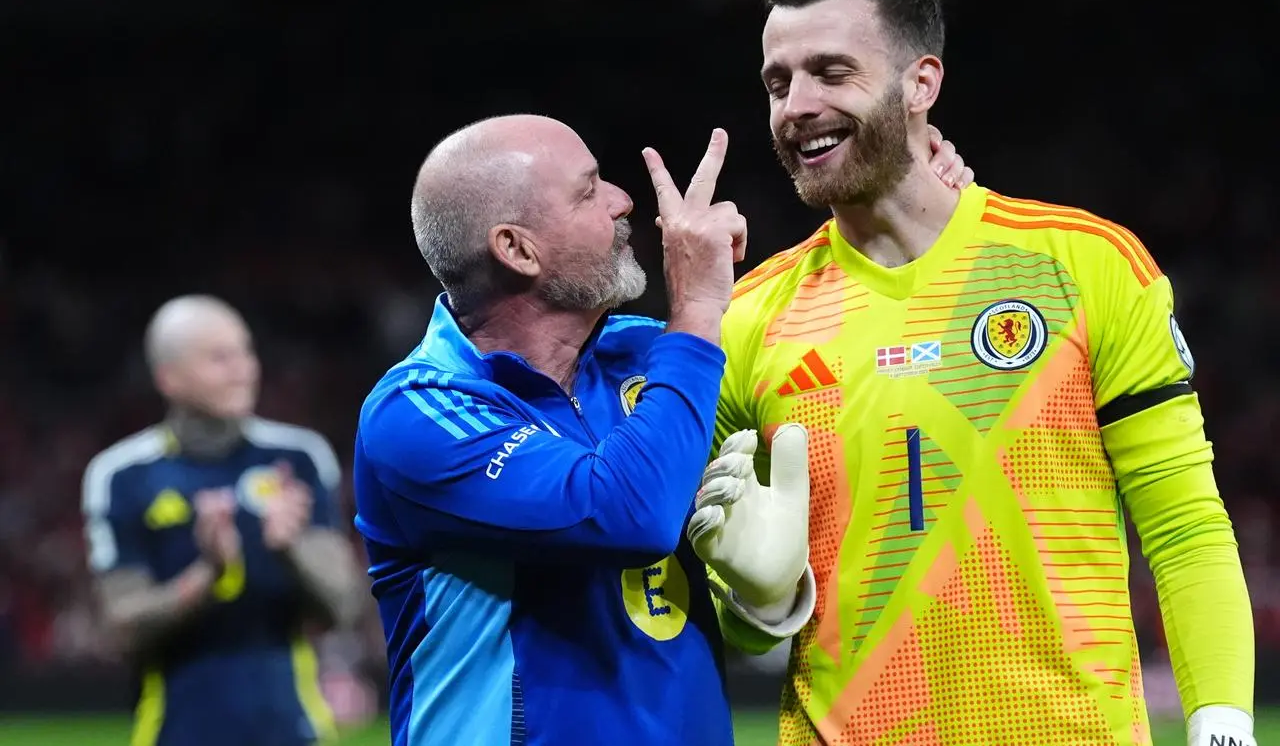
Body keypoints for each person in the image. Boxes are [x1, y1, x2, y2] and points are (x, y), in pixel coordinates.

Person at [707, 0, 1255, 746]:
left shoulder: (1084, 265)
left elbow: (1185, 526)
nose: (797, 106)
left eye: (831, 71)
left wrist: (1224, 729)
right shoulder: (749, 318)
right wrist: (754, 606)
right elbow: (740, 612)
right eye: (778, 82)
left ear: (921, 83)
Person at [352, 113, 971, 746]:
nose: (624, 201)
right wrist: (699, 305)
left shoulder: (651, 355)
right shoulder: (419, 412)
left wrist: (914, 198)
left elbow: (848, 360)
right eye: (589, 191)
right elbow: (628, 513)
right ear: (517, 250)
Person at [80, 295, 367, 746]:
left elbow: (345, 606)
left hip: (293, 729)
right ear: (168, 378)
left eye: (246, 351)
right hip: (174, 731)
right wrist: (207, 575)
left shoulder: (296, 456)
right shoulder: (122, 475)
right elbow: (121, 628)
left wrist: (290, 549)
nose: (244, 368)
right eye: (220, 357)